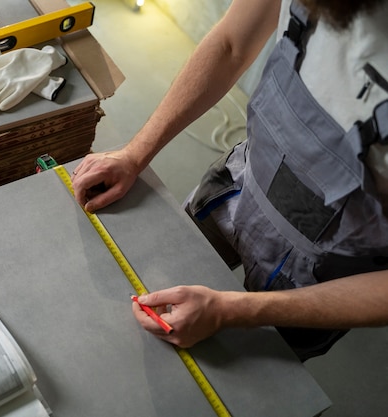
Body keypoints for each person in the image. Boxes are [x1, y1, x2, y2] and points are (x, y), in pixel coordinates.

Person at [71, 0, 388, 361]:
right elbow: (230, 45)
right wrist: (134, 153)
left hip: (320, 276)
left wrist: (230, 311)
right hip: (236, 187)